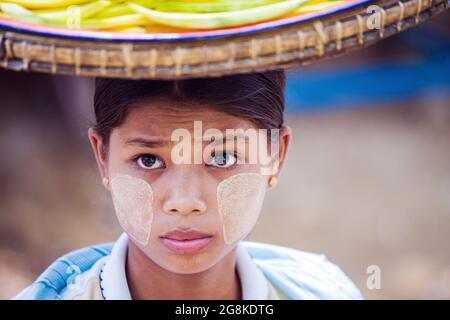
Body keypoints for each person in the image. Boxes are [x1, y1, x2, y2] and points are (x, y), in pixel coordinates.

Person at [14, 71, 362, 300]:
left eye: (222, 158)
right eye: (148, 160)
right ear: (102, 156)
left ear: (276, 155)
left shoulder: (324, 291)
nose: (184, 202)